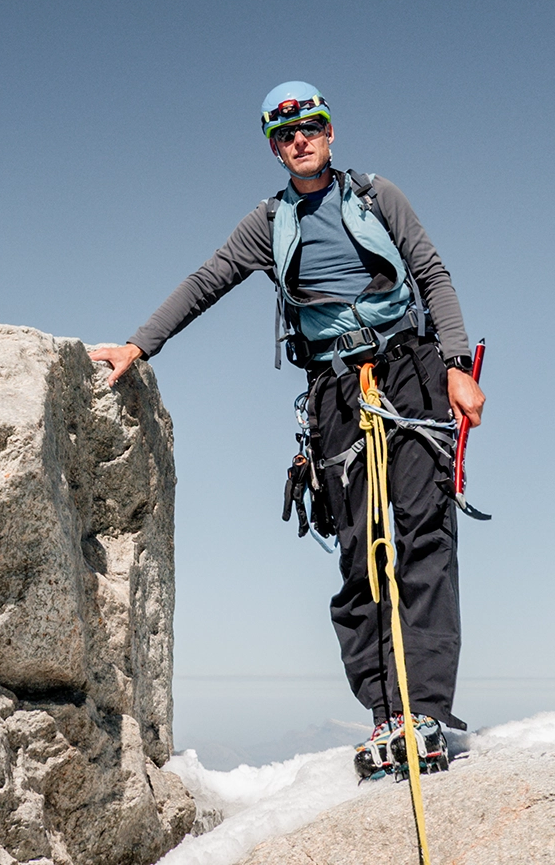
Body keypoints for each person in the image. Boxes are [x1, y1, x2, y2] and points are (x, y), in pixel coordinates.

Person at [89, 82, 486, 778]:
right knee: (362, 548)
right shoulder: (267, 222)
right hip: (335, 390)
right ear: (275, 148)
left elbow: (431, 273)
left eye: (311, 127)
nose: (300, 140)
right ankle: (386, 714)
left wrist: (456, 365)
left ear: (331, 132)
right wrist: (139, 344)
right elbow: (207, 279)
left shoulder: (376, 195)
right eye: (285, 134)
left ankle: (429, 712)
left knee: (424, 531)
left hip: (408, 369)